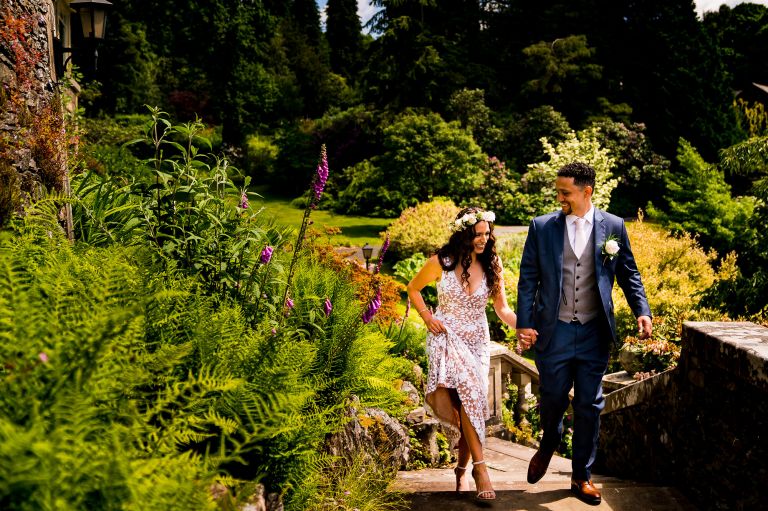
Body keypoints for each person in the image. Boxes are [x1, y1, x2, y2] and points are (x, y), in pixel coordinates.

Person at [516, 162, 652, 505]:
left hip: (594, 332)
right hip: (554, 330)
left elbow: (629, 274)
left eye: (565, 192)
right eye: (558, 191)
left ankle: (581, 477)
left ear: (586, 191)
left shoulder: (614, 227)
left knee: (590, 405)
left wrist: (642, 311)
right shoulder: (542, 226)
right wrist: (524, 321)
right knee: (552, 400)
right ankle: (549, 440)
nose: (559, 197)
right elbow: (528, 277)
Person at [407, 206, 523, 501]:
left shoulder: (492, 263)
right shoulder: (441, 262)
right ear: (464, 234)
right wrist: (426, 316)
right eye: (477, 234)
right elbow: (414, 288)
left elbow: (502, 309)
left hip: (477, 341)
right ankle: (481, 470)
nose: (484, 239)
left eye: (487, 233)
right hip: (445, 337)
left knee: (470, 403)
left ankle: (463, 469)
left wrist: (526, 327)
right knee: (466, 401)